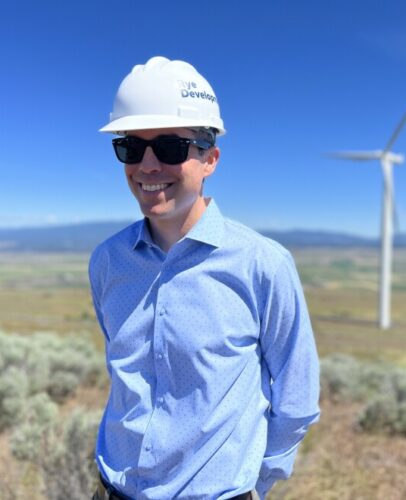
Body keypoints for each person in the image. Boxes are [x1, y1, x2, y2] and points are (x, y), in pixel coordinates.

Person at [89, 56, 320, 500]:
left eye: (171, 148)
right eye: (131, 147)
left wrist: (255, 483)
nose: (148, 166)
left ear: (210, 158)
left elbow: (296, 397)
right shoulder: (108, 261)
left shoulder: (262, 264)